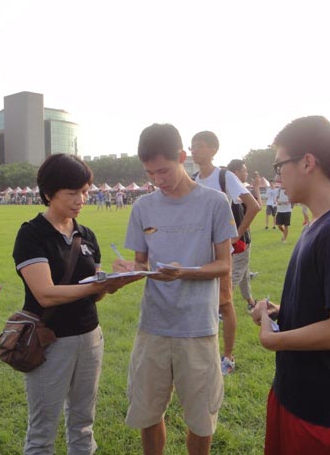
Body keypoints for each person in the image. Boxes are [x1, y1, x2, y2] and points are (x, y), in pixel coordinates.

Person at [252, 115, 330, 454]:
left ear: (307, 162)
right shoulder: (318, 224)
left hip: (323, 412)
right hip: (294, 394)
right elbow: (324, 306)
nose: (278, 178)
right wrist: (280, 312)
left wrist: (273, 339)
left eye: (280, 166)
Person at [114, 123, 236, 454]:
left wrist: (184, 272)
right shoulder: (143, 207)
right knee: (148, 412)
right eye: (150, 173)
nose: (158, 180)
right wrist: (127, 271)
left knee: (200, 418)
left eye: (164, 171)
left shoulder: (215, 202)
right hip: (153, 325)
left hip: (197, 327)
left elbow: (224, 265)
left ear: (182, 157)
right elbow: (141, 263)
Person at [12, 153, 138, 454]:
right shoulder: (32, 234)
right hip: (50, 342)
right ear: (48, 193)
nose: (81, 199)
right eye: (72, 193)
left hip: (90, 338)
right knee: (42, 432)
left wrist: (113, 282)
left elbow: (95, 294)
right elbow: (45, 293)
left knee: (83, 422)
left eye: (85, 191)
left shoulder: (86, 235)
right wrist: (97, 285)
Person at [190, 131, 261, 375]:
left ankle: (228, 357)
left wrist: (236, 235)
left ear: (213, 150)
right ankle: (202, 353)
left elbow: (254, 206)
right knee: (199, 302)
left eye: (199, 146)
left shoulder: (224, 176)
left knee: (225, 303)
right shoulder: (191, 179)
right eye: (192, 146)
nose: (194, 150)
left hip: (220, 253)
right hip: (197, 251)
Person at [227, 159, 259, 312]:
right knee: (236, 274)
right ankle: (220, 307)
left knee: (244, 273)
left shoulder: (232, 191)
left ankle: (251, 302)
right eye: (244, 170)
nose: (246, 173)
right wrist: (238, 235)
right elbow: (256, 207)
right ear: (236, 172)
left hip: (237, 240)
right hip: (240, 241)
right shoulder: (235, 192)